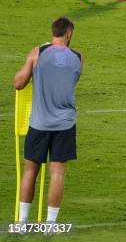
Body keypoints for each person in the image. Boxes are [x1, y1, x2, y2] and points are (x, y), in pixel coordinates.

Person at [13, 17, 82, 232]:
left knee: (30, 172)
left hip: (39, 123)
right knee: (57, 173)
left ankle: (22, 223)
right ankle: (50, 225)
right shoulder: (78, 58)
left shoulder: (38, 53)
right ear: (69, 33)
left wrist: (33, 62)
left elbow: (18, 83)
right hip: (65, 124)